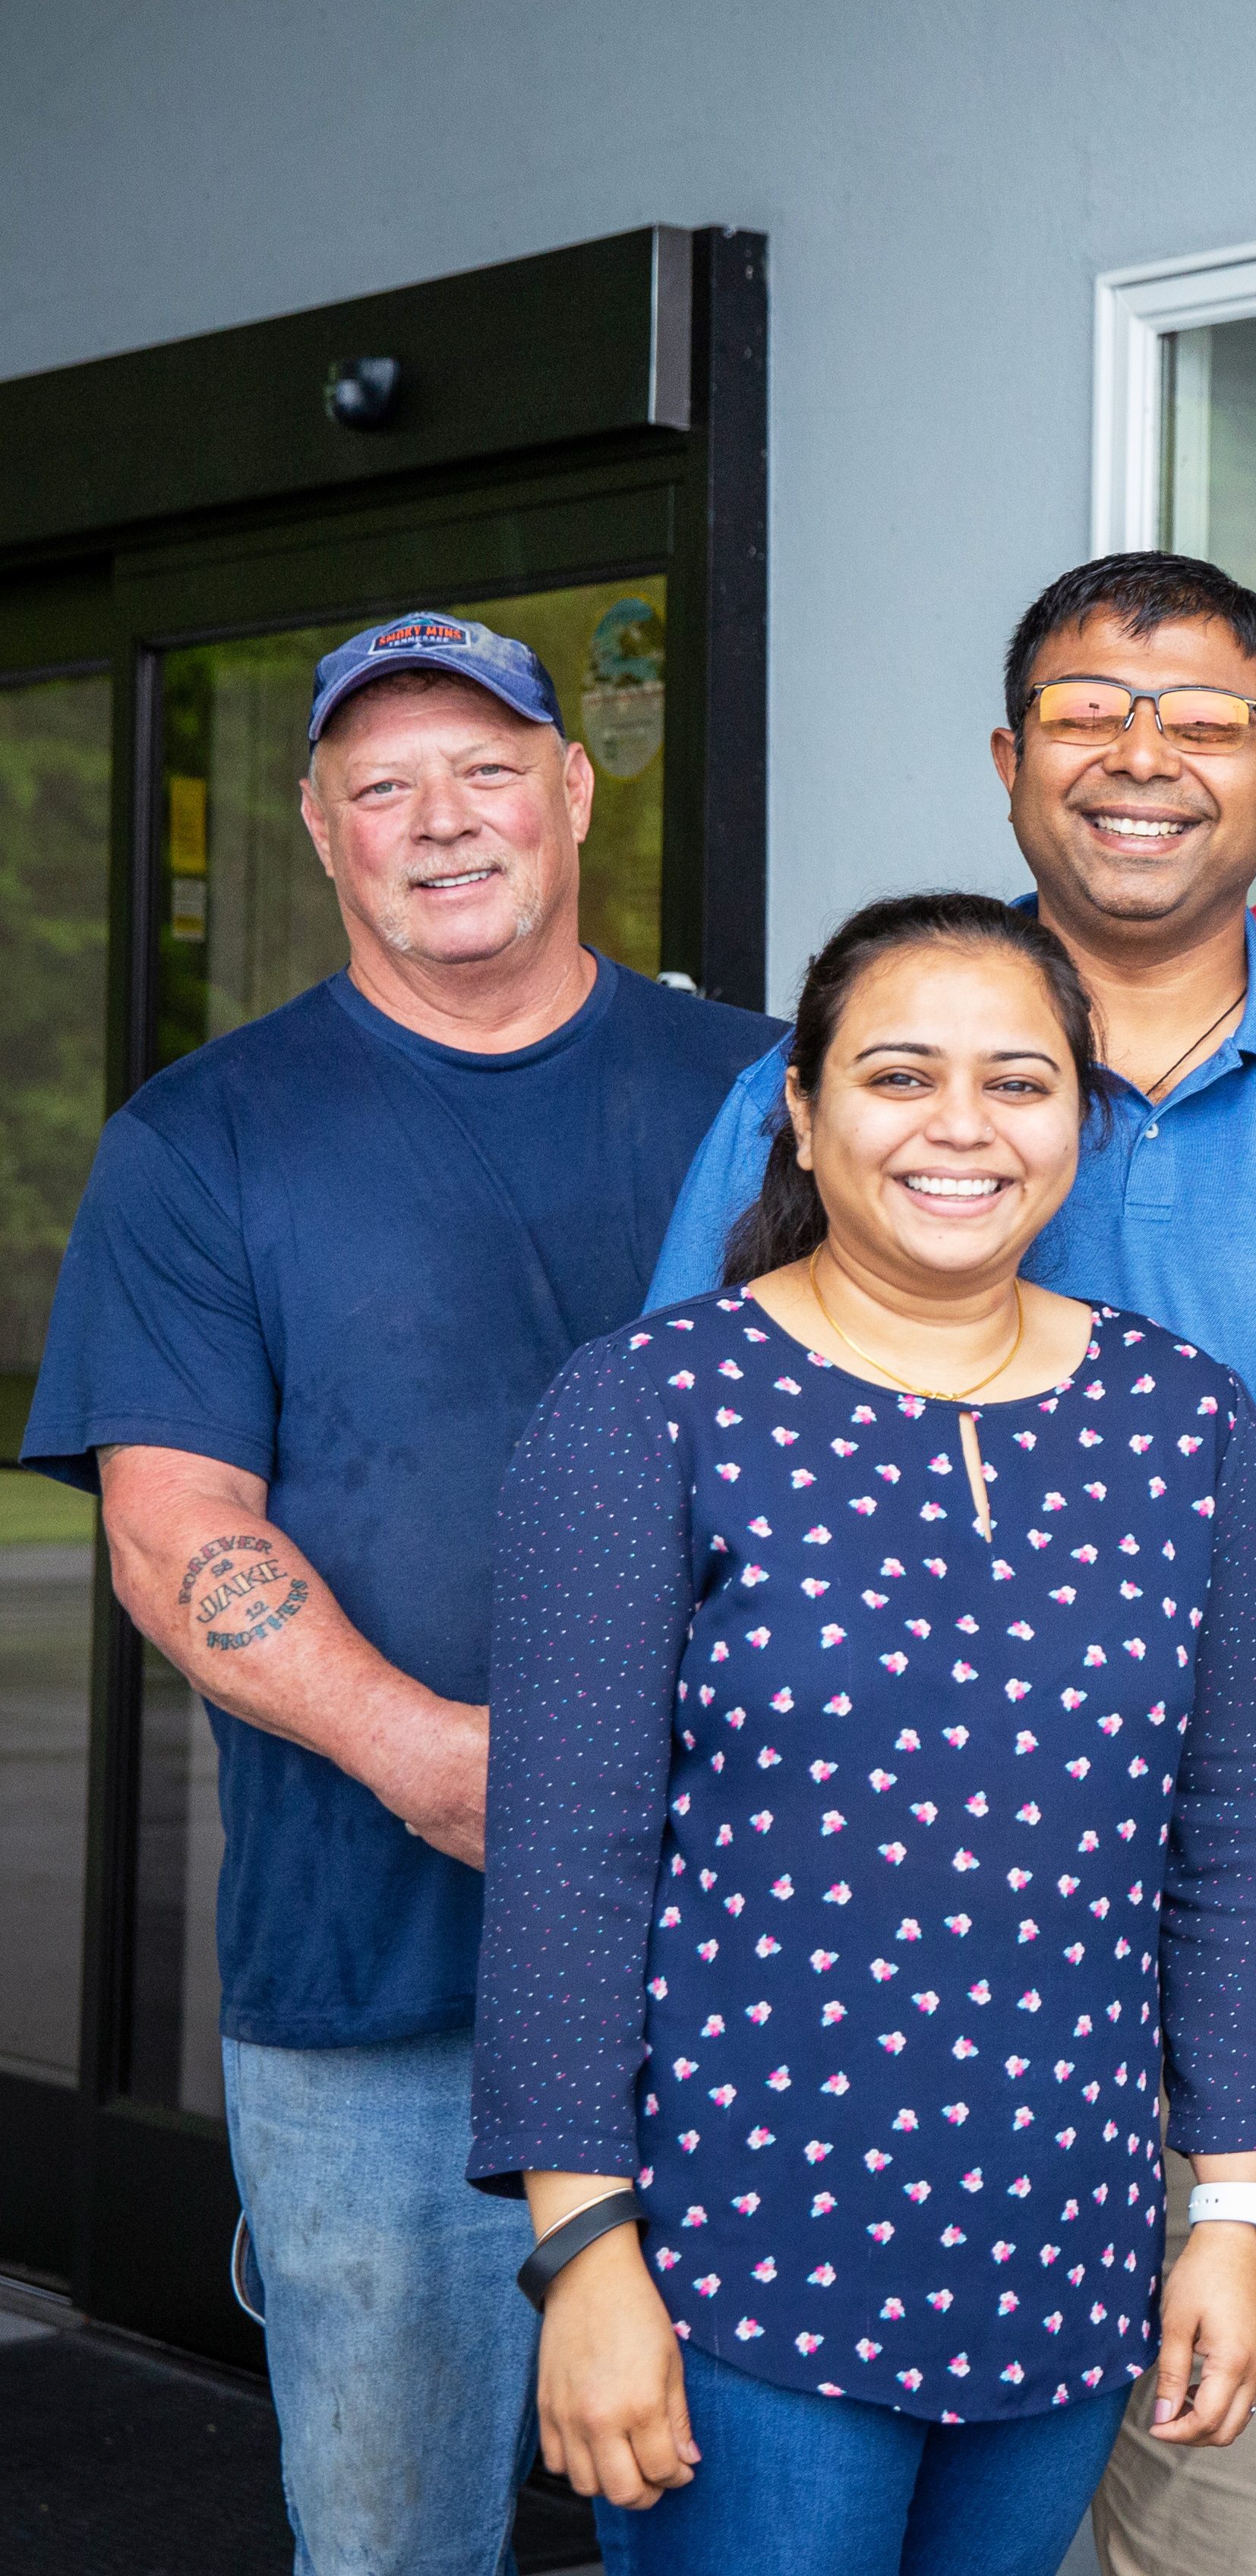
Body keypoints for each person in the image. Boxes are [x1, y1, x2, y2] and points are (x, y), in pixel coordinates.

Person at [643, 554, 1256, 2576]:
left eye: (1203, 721)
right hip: (882, 1960)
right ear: (1009, 762)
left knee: (1252, 2534)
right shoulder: (837, 1092)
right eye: (1091, 711)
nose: (1142, 757)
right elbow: (676, 1513)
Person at [18, 612, 775, 2574]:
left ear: (575, 790)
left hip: (757, 1967)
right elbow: (174, 1526)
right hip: (378, 1998)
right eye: (384, 786)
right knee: (393, 2540)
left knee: (767, 2531)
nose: (444, 820)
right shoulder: (207, 1138)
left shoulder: (768, 1095)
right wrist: (430, 1758)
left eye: (488, 769)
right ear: (320, 827)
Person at [475, 895, 1256, 2576]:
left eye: (1019, 1081)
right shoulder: (653, 1404)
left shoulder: (1186, 1420)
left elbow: (1223, 1845)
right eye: (900, 1075)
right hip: (743, 2266)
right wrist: (585, 2254)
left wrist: (1227, 2212)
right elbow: (564, 1864)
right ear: (801, 1107)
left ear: (1081, 1116)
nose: (960, 1128)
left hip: (1066, 2261)